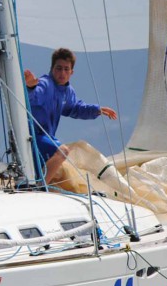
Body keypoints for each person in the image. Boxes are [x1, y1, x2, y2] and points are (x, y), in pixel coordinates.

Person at [24, 48, 118, 185]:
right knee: (62, 151)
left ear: (71, 72)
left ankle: (39, 185)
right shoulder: (45, 84)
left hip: (45, 138)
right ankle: (39, 188)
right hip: (32, 137)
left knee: (53, 166)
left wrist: (97, 110)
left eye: (66, 69)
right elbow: (31, 98)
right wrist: (30, 87)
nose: (62, 73)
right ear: (52, 68)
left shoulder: (67, 92)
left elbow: (75, 108)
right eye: (59, 68)